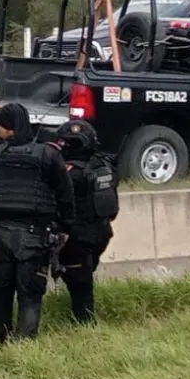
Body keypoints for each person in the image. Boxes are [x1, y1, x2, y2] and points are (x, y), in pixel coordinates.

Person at [0, 102, 74, 343]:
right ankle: (25, 343)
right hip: (36, 236)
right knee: (30, 294)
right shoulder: (49, 155)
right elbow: (66, 195)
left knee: (0, 293)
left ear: (8, 129)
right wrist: (65, 228)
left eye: (0, 125)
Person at [49, 119, 119, 324]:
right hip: (103, 232)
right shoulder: (105, 165)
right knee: (83, 278)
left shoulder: (68, 174)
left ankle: (86, 327)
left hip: (77, 237)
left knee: (81, 287)